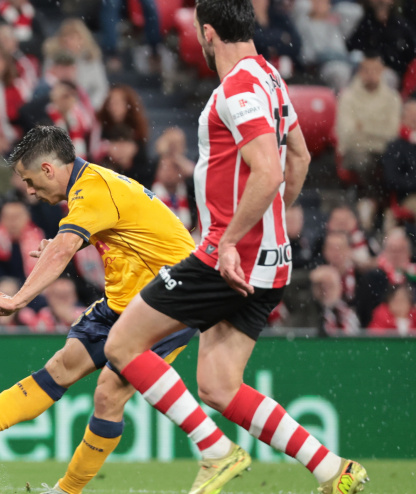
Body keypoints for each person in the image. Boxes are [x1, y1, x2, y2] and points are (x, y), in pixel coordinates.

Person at [89, 2, 365, 494]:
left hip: (229, 257)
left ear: (207, 32)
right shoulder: (272, 78)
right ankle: (332, 469)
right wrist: (272, 222)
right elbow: (298, 155)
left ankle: (215, 451)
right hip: (271, 262)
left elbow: (270, 169)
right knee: (218, 386)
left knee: (122, 344)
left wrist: (235, 239)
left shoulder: (237, 88)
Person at [0, 126, 198, 494]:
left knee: (109, 393)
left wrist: (18, 299)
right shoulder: (91, 188)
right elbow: (117, 234)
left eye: (30, 181)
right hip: (126, 300)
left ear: (48, 169)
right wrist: (65, 243)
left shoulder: (93, 190)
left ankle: (67, 492)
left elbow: (63, 250)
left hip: (168, 304)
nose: (29, 191)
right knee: (60, 367)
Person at [336, 54, 402, 188]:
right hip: (356, 150)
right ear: (360, 72)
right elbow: (348, 133)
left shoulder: (393, 98)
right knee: (363, 161)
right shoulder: (347, 97)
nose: (371, 75)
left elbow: (392, 132)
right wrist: (378, 128)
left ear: (382, 72)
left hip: (385, 149)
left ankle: (385, 200)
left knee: (400, 160)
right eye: (367, 70)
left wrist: (363, 126)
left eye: (375, 70)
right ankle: (372, 198)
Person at [42, 19, 107, 109]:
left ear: (82, 39)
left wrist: (89, 107)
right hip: (58, 107)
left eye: (72, 37)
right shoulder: (53, 59)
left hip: (87, 108)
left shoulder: (91, 59)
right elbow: (46, 84)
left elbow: (100, 89)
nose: (68, 41)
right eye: (65, 37)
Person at [308, 265, 361, 337]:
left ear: (339, 288)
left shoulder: (347, 313)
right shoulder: (306, 313)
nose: (325, 291)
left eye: (330, 286)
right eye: (320, 286)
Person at [382, 99, 416, 209]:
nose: (414, 119)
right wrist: (412, 184)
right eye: (411, 115)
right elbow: (391, 178)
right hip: (408, 197)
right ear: (403, 118)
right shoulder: (396, 146)